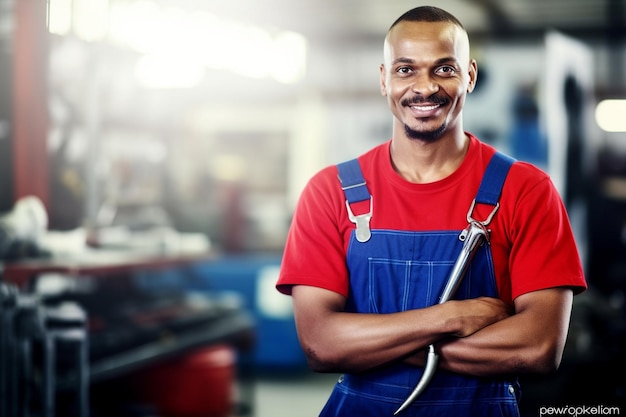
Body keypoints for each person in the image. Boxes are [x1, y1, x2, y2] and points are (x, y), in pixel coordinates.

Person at [276, 6, 587, 417]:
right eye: (406, 70)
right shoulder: (330, 192)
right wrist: (452, 317)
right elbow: (321, 344)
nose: (425, 87)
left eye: (444, 69)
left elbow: (539, 346)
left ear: (470, 76)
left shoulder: (526, 191)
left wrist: (376, 342)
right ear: (384, 78)